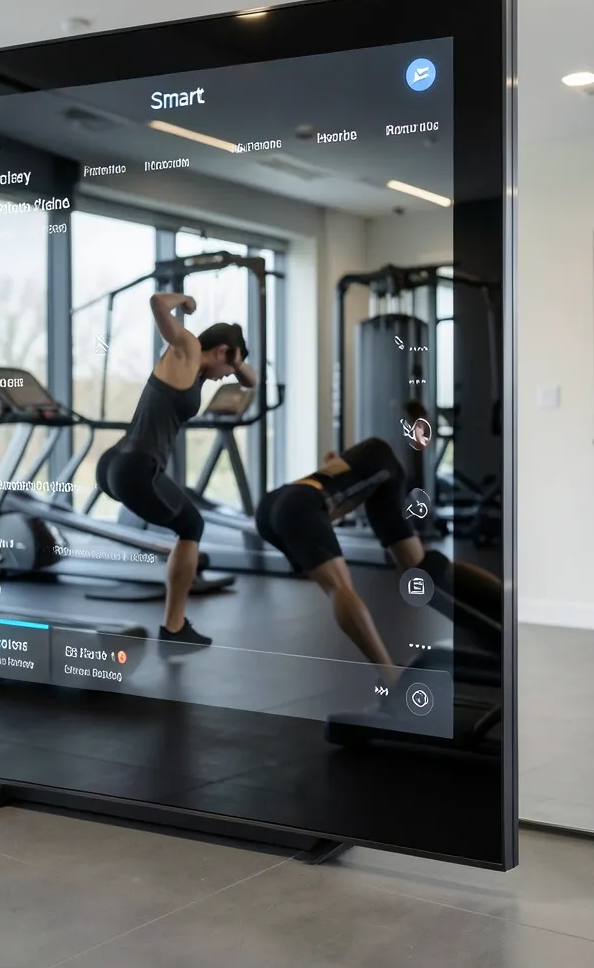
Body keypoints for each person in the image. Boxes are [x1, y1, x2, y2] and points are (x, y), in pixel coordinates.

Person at [97, 292, 257, 649]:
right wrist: (184, 301)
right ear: (219, 353)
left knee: (188, 522)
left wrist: (236, 355)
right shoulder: (186, 348)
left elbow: (251, 381)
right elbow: (156, 302)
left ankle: (175, 624)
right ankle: (173, 627)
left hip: (118, 462)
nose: (225, 378)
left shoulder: (201, 369)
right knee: (192, 526)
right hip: (135, 467)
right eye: (227, 368)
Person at [255, 437, 427, 688]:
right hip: (299, 505)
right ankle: (392, 678)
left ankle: (391, 675)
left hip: (271, 506)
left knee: (336, 585)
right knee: (341, 588)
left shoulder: (343, 467)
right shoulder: (387, 467)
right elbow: (414, 562)